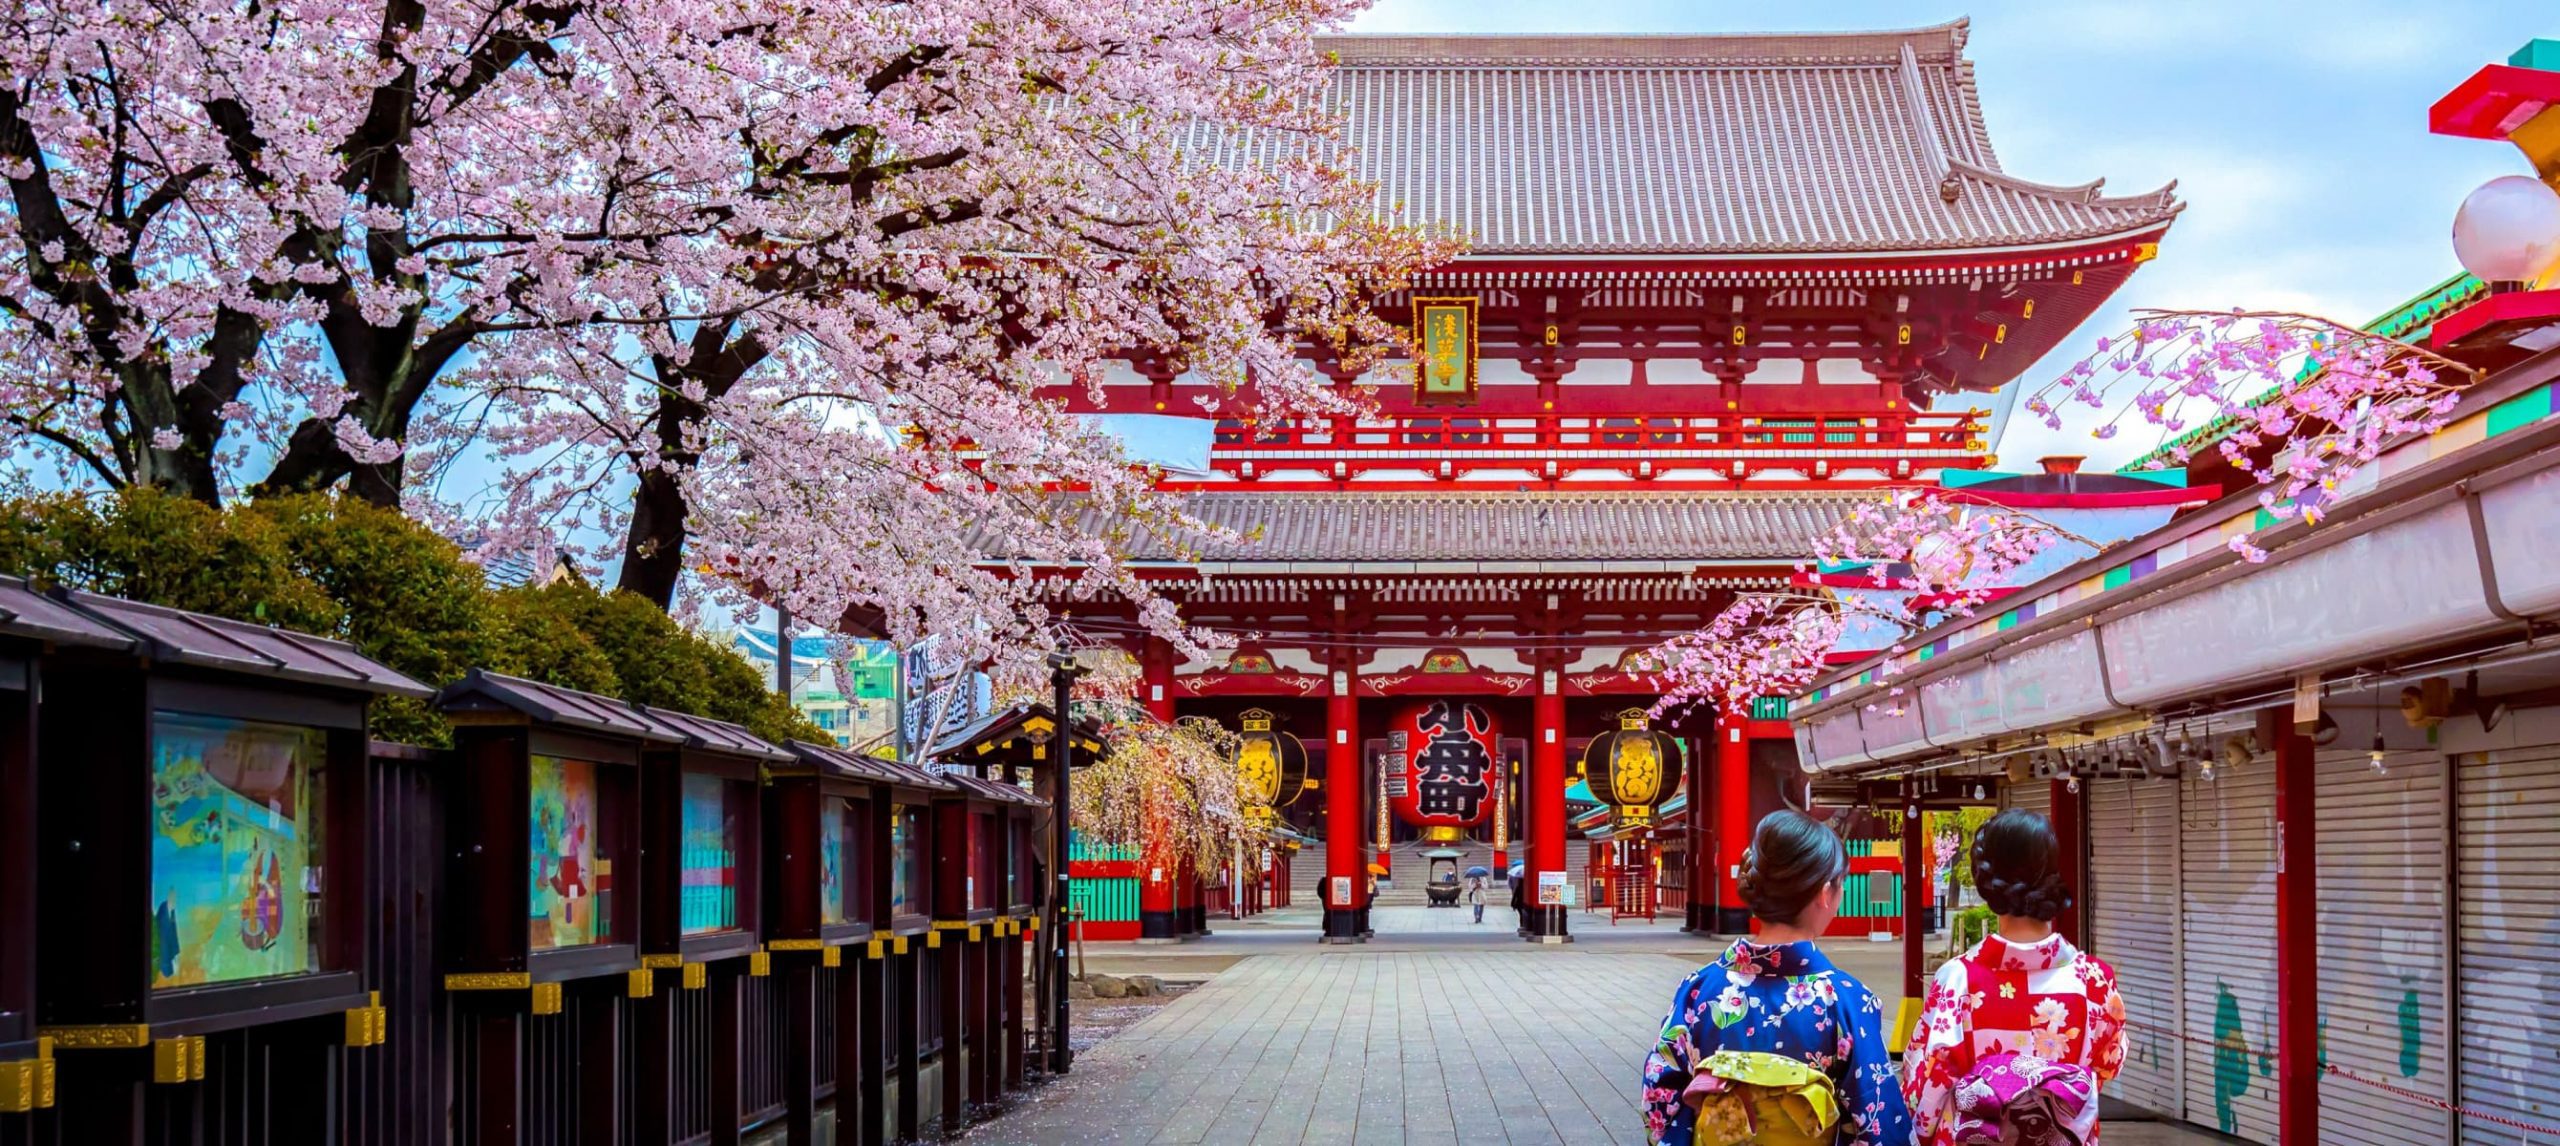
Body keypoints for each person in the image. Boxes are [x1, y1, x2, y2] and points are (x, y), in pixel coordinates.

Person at [1641, 810, 1910, 1145]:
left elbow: (1660, 1098)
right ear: (1824, 893)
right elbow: (1877, 1119)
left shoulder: (1698, 990)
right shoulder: (1846, 999)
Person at [1903, 809, 2125, 1145]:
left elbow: (1930, 1080)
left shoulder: (1959, 979)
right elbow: (2107, 1066)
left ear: (1984, 882)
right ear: (2052, 873)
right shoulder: (2093, 980)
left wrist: (1919, 1132)